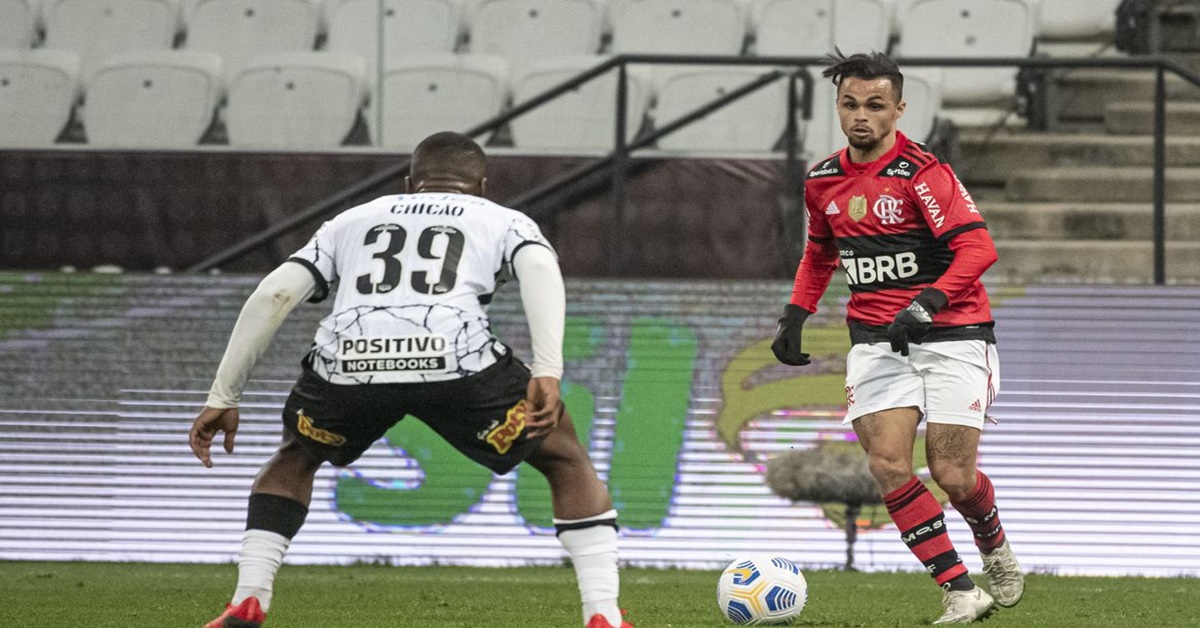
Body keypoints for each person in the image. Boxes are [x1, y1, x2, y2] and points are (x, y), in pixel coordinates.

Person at [190, 131, 633, 628]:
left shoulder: (351, 221)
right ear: (482, 186)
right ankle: (603, 615)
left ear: (408, 183)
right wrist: (548, 370)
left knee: (296, 455)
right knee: (564, 457)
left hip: (348, 364)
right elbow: (540, 268)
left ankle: (248, 601)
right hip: (457, 363)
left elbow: (273, 294)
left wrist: (224, 395)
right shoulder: (504, 220)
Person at [770, 51, 1024, 624]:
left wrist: (927, 302)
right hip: (875, 341)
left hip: (954, 334)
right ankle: (960, 589)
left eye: (875, 105)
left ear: (899, 109)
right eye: (850, 104)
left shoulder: (921, 172)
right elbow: (819, 254)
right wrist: (795, 314)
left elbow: (978, 248)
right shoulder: (822, 180)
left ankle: (993, 543)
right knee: (888, 465)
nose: (861, 115)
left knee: (954, 475)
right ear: (838, 106)